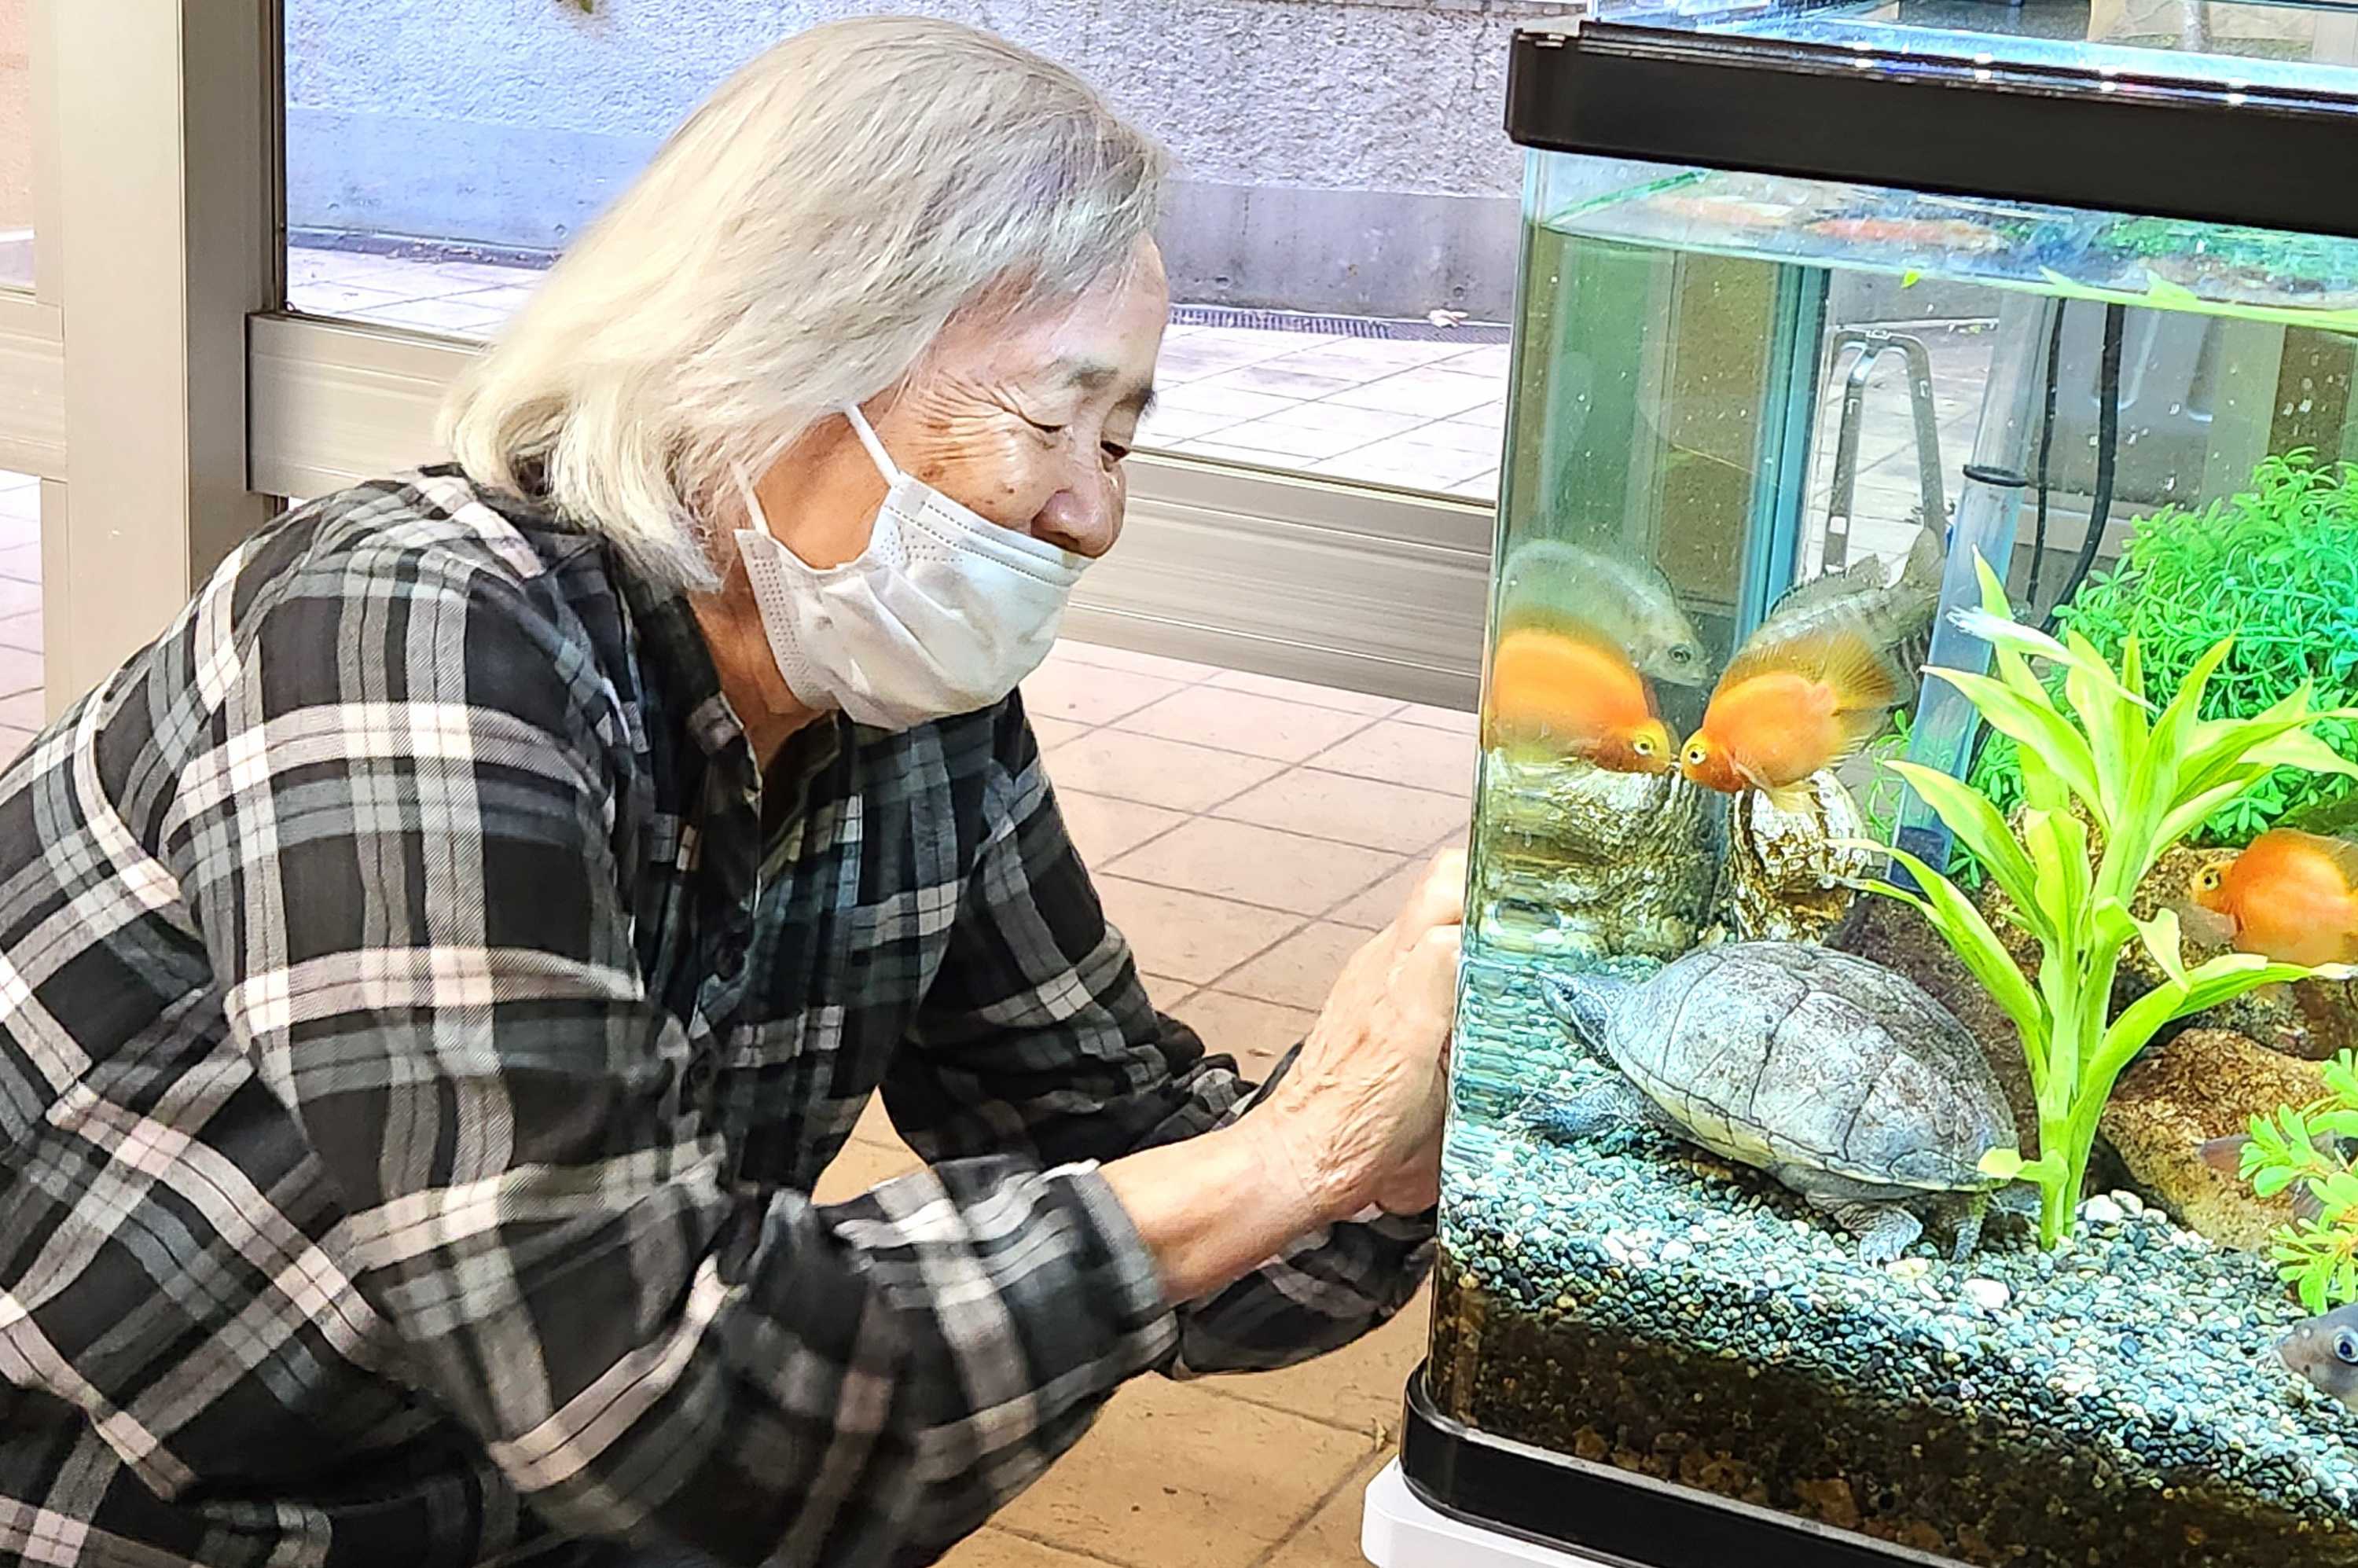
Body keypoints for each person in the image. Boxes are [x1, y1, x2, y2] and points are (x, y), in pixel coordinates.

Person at [0, 17, 1460, 1568]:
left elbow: (1132, 1154)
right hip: (132, 1514)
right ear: (777, 359)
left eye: (1118, 439)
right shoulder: (411, 634)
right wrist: (1284, 1159)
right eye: (1049, 421)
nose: (1094, 513)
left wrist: (1415, 1101)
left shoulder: (906, 714)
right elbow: (638, 1390)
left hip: (510, 1506)